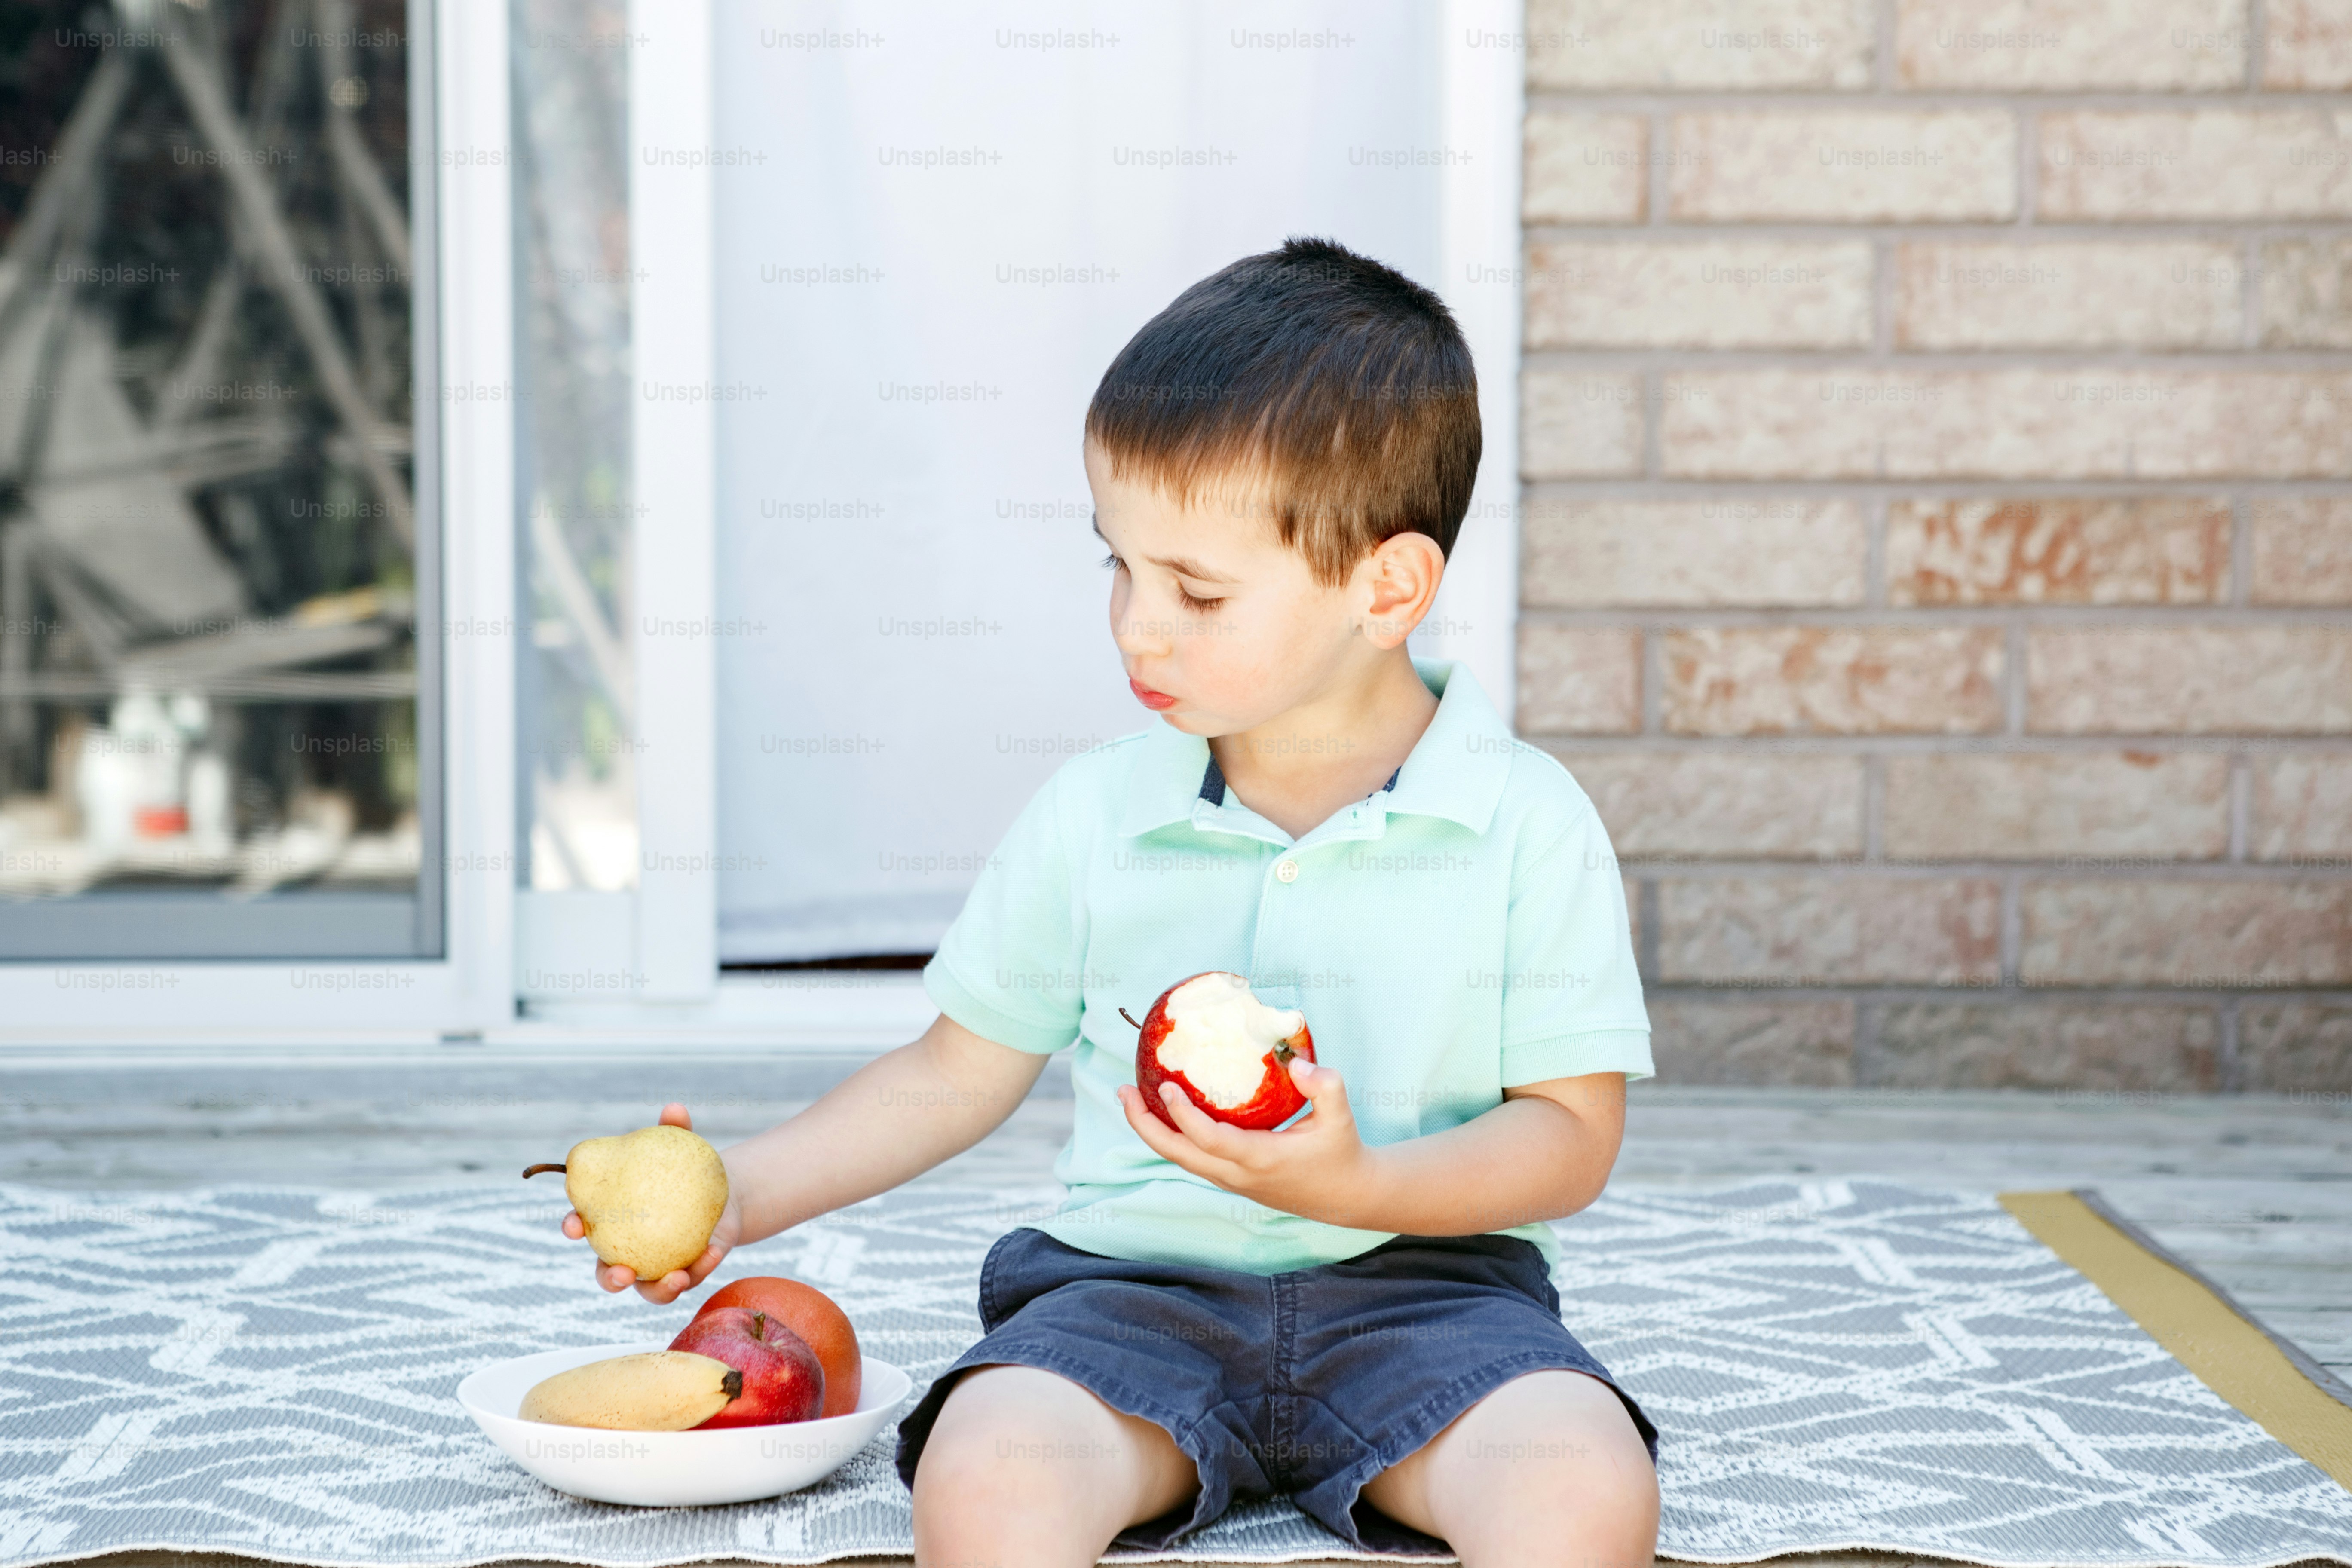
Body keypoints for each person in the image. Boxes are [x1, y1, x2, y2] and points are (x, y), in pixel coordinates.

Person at [563, 236, 1659, 1568]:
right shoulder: (1095, 813)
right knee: (985, 1477)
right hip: (1133, 1293)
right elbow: (955, 1073)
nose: (1138, 624)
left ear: (1387, 589)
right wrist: (744, 1194)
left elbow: (1570, 1135)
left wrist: (1360, 1180)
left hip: (1434, 1291)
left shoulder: (1527, 821)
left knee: (1584, 1490)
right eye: (1120, 567)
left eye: (1197, 590)